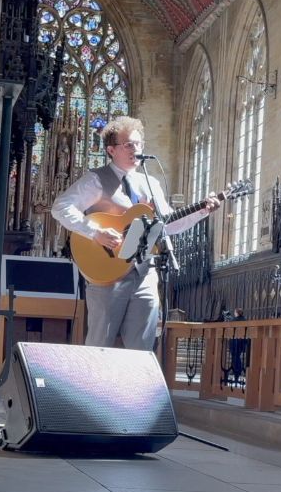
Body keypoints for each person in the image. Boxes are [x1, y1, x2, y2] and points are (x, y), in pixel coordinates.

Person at [51, 116, 221, 350]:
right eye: (129, 144)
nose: (136, 149)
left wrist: (201, 212)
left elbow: (168, 224)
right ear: (111, 150)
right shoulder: (96, 180)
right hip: (106, 273)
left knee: (142, 346)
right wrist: (95, 231)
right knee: (101, 345)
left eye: (139, 144)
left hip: (144, 272)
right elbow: (60, 207)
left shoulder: (150, 183)